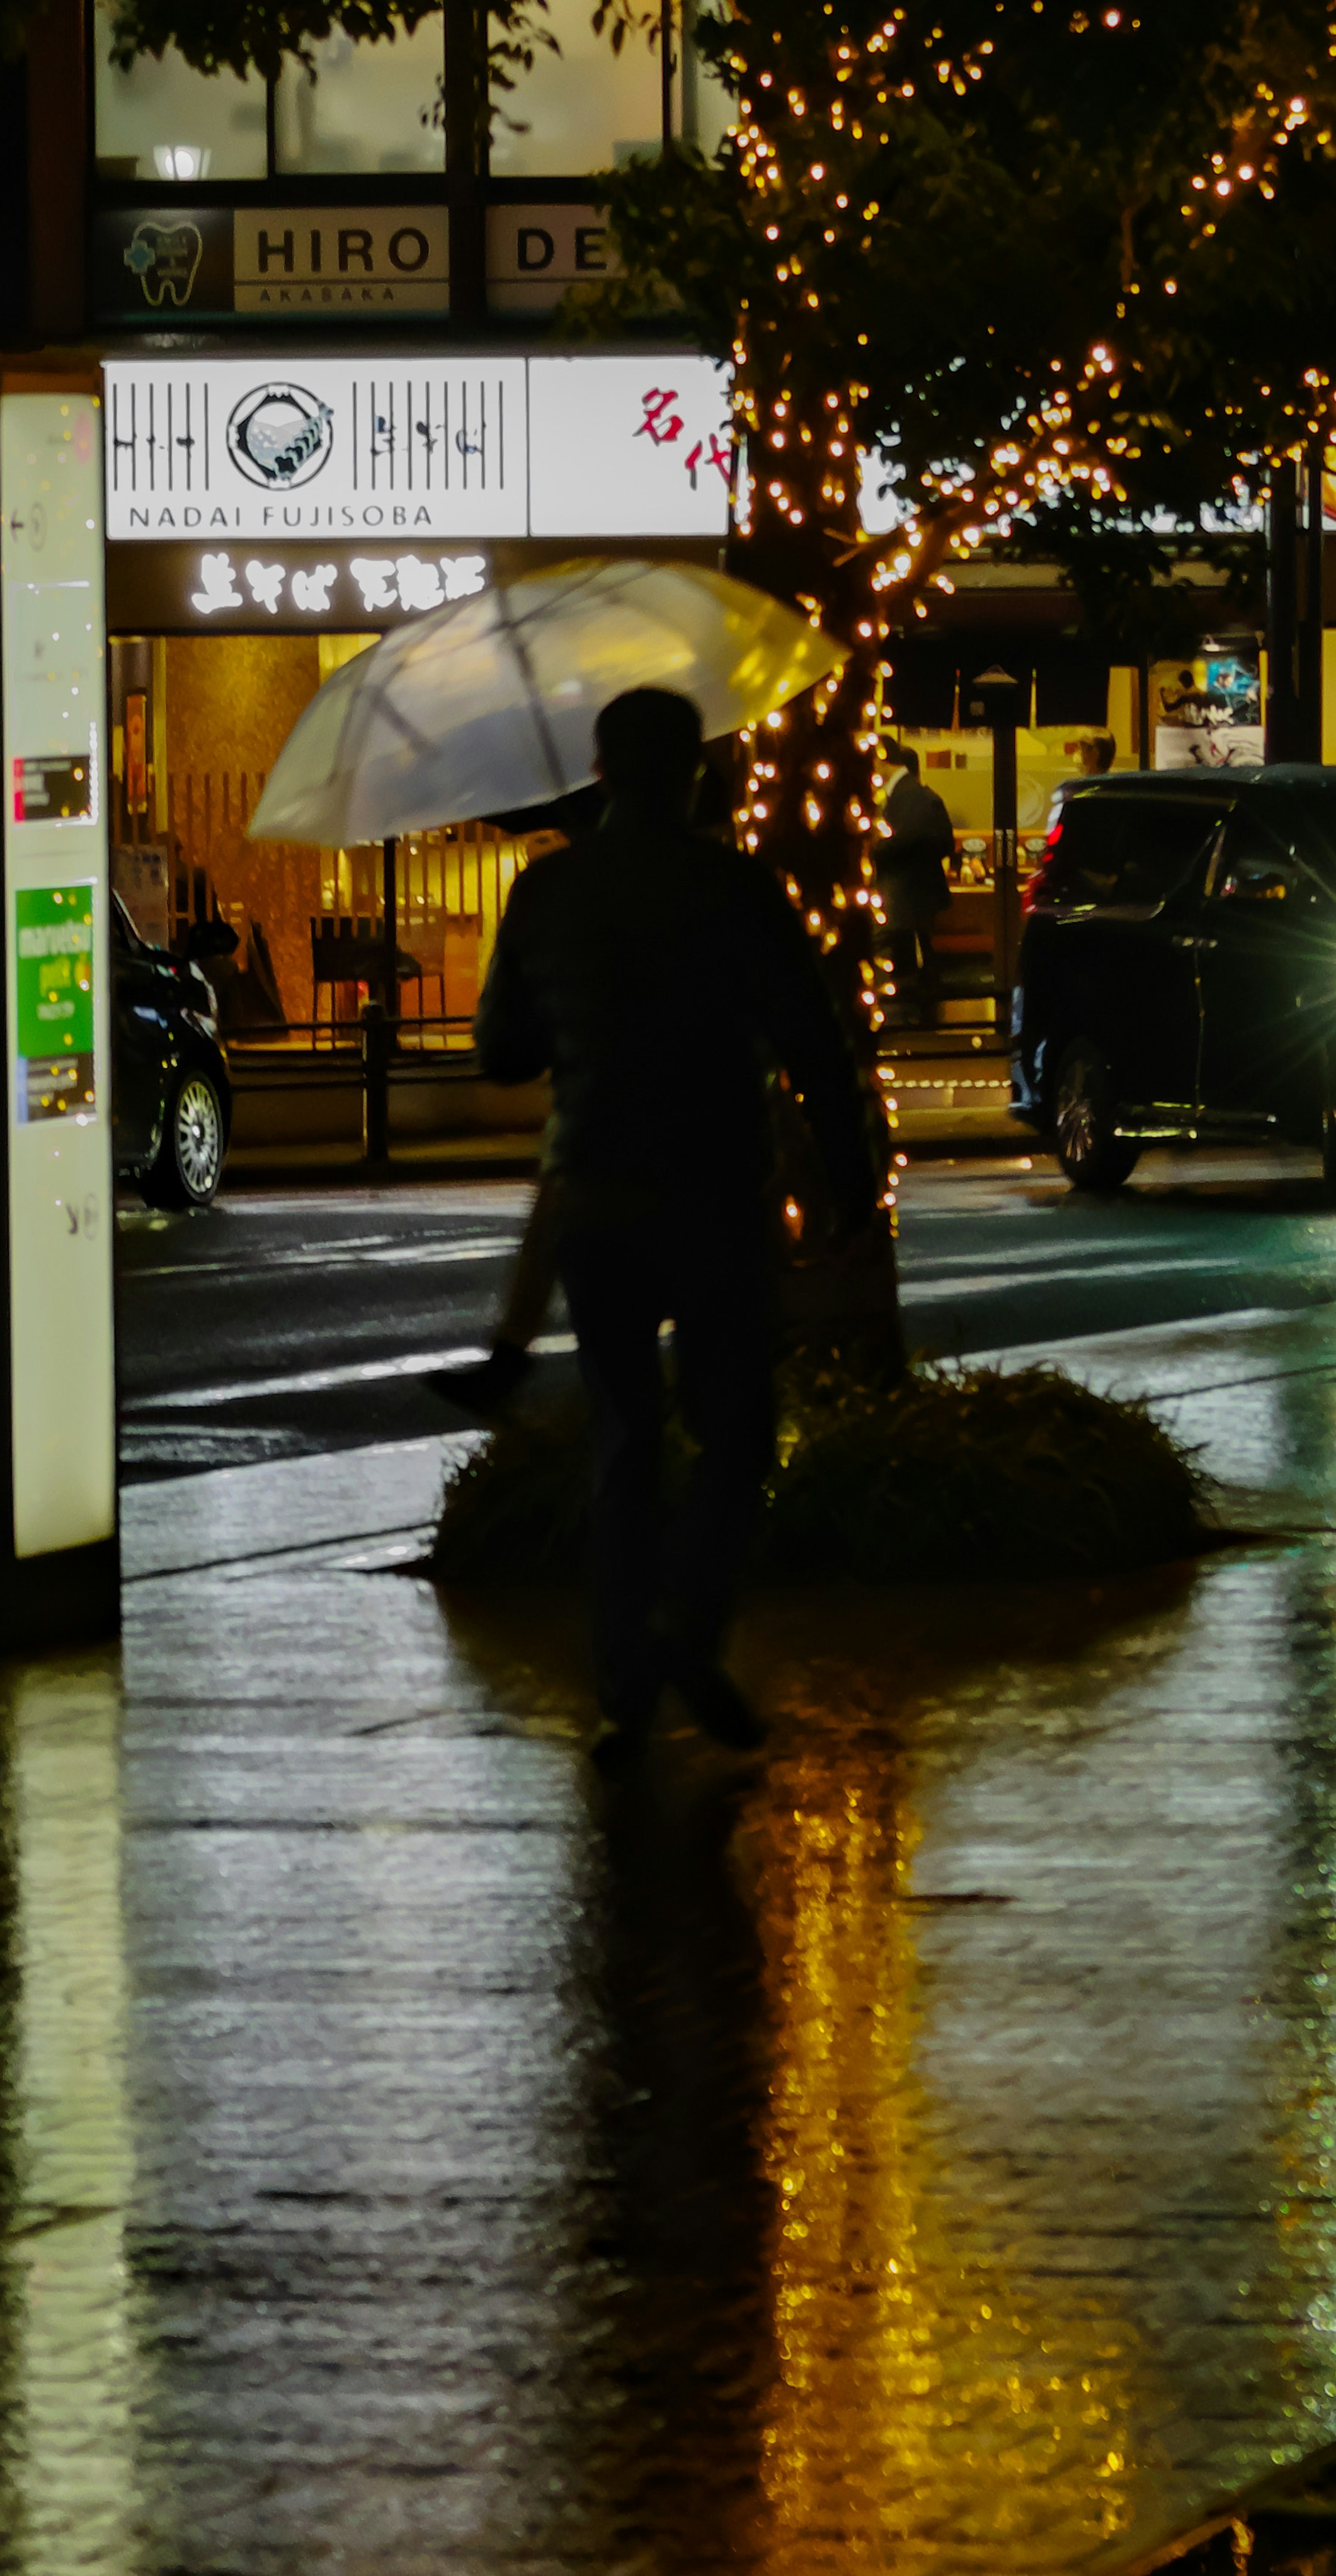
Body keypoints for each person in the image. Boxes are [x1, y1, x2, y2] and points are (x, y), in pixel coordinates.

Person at [471, 684, 875, 1766]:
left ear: (600, 773)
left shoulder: (547, 892)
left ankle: (620, 1694)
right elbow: (815, 1045)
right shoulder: (737, 888)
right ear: (695, 770)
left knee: (624, 1440)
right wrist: (849, 1184)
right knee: (737, 1432)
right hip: (714, 1189)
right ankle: (686, 1626)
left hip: (597, 1194)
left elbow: (501, 1051)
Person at [878, 740, 956, 1020]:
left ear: (882, 760)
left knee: (907, 967)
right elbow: (945, 843)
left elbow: (900, 842)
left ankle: (911, 1022)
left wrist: (870, 847)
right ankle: (921, 1018)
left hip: (905, 896)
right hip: (915, 895)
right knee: (917, 960)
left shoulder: (909, 797)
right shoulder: (919, 795)